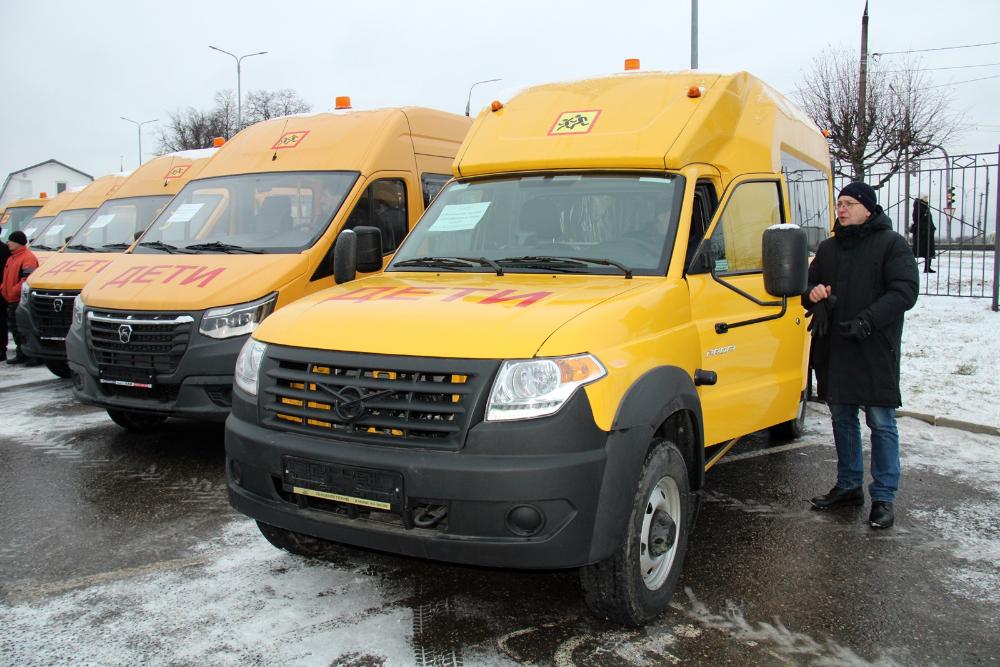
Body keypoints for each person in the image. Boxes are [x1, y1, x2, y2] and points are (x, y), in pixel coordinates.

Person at [804, 182, 918, 529]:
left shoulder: (892, 244)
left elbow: (905, 291)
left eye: (850, 203)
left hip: (874, 346)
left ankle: (883, 496)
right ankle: (849, 486)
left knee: (881, 422)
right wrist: (814, 293)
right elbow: (806, 287)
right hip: (835, 346)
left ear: (868, 208)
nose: (842, 209)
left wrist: (868, 320)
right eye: (840, 203)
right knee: (842, 417)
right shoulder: (828, 248)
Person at [2, 230, 40, 365]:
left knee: (25, 329)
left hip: (20, 300)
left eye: (11, 240)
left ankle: (32, 356)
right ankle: (21, 354)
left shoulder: (27, 258)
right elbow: (6, 277)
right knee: (16, 329)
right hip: (11, 299)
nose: (8, 243)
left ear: (18, 243)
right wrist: (3, 289)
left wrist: (13, 291)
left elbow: (27, 279)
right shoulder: (11, 258)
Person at [911, 194, 936, 273]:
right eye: (925, 197)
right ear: (921, 198)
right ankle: (909, 266)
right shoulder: (918, 207)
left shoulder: (925, 207)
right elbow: (916, 219)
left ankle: (927, 268)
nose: (927, 198)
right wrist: (924, 228)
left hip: (928, 232)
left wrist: (932, 228)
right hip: (922, 233)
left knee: (929, 251)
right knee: (917, 250)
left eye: (927, 197)